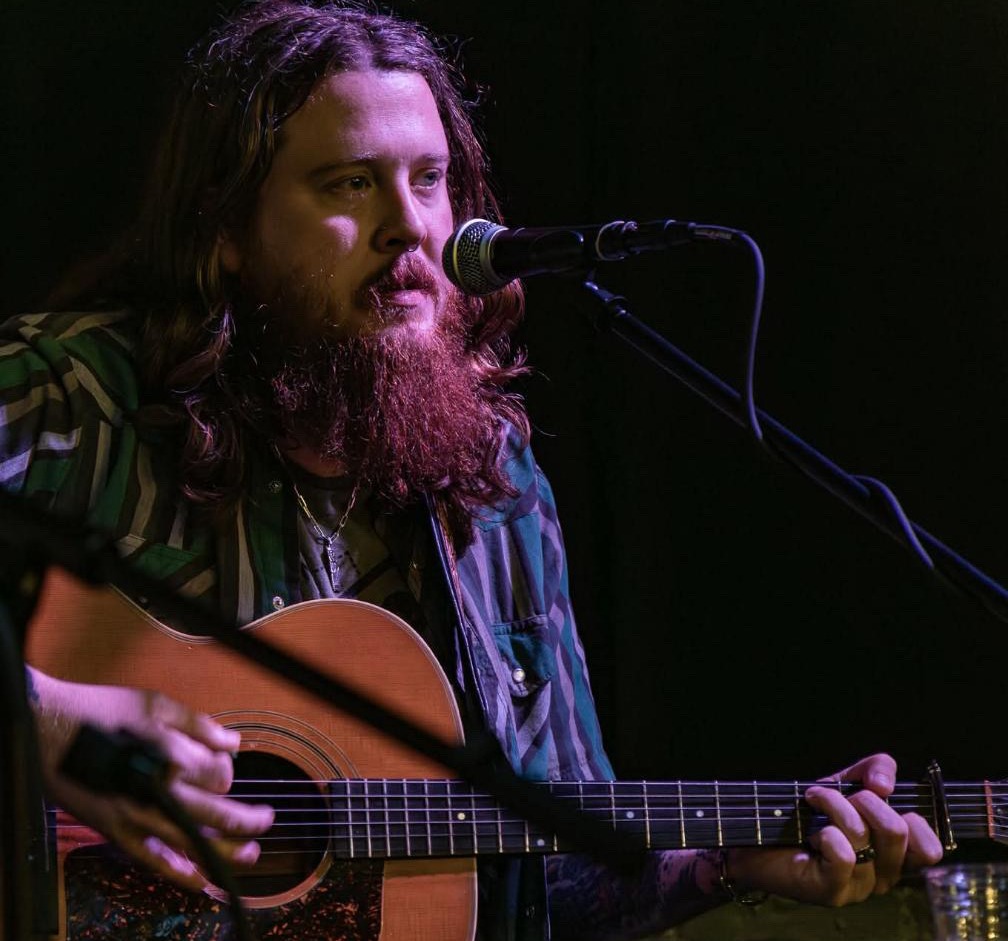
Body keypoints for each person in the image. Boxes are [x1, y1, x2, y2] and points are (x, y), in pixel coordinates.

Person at [4, 2, 942, 939]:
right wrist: (54, 724)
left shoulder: (491, 482)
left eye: (430, 181)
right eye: (348, 185)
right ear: (226, 228)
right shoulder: (77, 395)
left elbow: (560, 877)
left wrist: (728, 861)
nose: (408, 227)